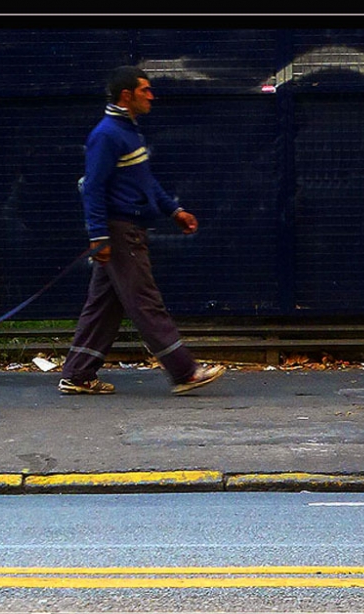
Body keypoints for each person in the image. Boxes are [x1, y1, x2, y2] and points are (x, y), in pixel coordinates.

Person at [59, 65, 225, 396]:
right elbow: (93, 188)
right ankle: (185, 371)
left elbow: (145, 181)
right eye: (145, 90)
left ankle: (78, 374)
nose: (152, 96)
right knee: (145, 301)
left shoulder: (127, 131)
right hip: (121, 232)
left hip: (123, 229)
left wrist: (173, 211)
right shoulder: (107, 135)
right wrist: (98, 236)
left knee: (103, 305)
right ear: (126, 95)